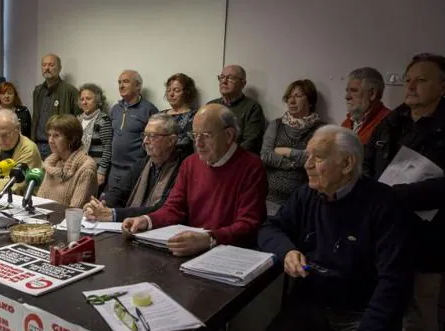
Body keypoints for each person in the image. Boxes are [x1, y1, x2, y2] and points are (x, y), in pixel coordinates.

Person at [258, 125, 413, 331]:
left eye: (317, 158)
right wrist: (288, 251)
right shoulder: (307, 194)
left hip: (361, 310)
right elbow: (270, 227)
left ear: (347, 163)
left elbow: (395, 279)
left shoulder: (383, 204)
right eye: (307, 156)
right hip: (314, 301)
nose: (306, 165)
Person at [363, 53, 445, 331]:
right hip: (384, 238)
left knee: (421, 320)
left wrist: (398, 195)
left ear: (444, 86)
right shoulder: (390, 122)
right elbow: (367, 164)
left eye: (421, 80)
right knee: (384, 312)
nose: (410, 85)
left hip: (426, 241)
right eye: (408, 79)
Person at [122, 104, 267, 257]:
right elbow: (174, 208)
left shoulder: (251, 167)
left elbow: (248, 225)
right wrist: (146, 220)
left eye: (205, 135)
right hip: (192, 249)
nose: (198, 144)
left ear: (229, 135)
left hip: (230, 253)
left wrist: (209, 238)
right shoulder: (191, 163)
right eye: (195, 135)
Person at [83, 113, 183, 222]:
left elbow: (162, 208)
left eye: (152, 136)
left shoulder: (181, 168)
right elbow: (119, 192)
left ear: (171, 140)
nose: (145, 141)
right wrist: (99, 205)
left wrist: (114, 214)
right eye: (144, 135)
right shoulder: (142, 164)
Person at [261, 79, 323, 214]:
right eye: (289, 97)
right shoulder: (276, 124)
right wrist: (292, 164)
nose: (291, 101)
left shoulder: (321, 129)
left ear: (310, 101)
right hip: (269, 197)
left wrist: (286, 151)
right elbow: (265, 155)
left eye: (298, 96)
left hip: (301, 201)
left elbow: (312, 160)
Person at [106, 69, 158, 193]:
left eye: (126, 82)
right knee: (110, 205)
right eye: (119, 82)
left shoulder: (149, 110)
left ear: (138, 86)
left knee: (129, 207)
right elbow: (110, 139)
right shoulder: (115, 109)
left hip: (136, 169)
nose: (121, 86)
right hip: (114, 169)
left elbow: (154, 142)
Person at [36, 115, 97, 208]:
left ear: (72, 139)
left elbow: (75, 210)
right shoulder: (52, 163)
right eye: (49, 135)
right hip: (44, 219)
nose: (50, 140)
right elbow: (40, 200)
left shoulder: (86, 168)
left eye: (56, 135)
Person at [207, 64, 266, 154]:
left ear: (243, 83)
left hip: (238, 159)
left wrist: (225, 156)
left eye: (230, 78)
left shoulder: (252, 108)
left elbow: (251, 142)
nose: (224, 81)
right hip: (211, 156)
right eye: (222, 77)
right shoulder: (210, 106)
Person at [0, 109, 43, 195]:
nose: (1, 140)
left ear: (18, 128)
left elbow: (15, 183)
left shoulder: (29, 149)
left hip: (24, 200)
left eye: (5, 135)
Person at [31, 54, 80, 158]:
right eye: (44, 65)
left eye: (51, 65)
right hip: (38, 145)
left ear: (60, 68)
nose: (47, 68)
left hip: (59, 147)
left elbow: (77, 122)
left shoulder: (70, 91)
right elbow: (35, 118)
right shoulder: (38, 91)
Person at [341, 67, 391, 144]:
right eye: (347, 91)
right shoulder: (346, 123)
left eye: (354, 90)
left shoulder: (389, 123)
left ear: (372, 94)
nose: (347, 97)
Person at [77, 83, 113, 189]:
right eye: (82, 99)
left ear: (97, 100)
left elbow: (107, 148)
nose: (84, 102)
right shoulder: (78, 119)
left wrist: (101, 172)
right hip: (78, 167)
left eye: (88, 98)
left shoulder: (103, 120)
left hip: (94, 170)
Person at [161, 73, 197, 154]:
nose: (171, 94)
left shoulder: (195, 116)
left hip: (185, 162)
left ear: (187, 92)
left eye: (176, 90)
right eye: (168, 90)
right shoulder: (160, 115)